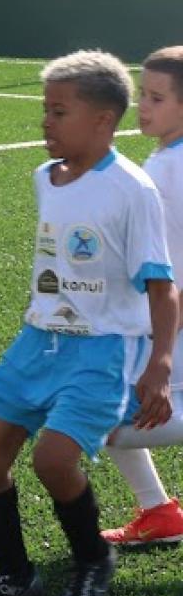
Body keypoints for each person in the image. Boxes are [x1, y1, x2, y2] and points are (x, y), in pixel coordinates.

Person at [0, 50, 177, 596]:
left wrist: (158, 363)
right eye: (44, 110)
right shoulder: (45, 178)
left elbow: (161, 284)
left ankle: (93, 563)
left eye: (58, 112)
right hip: (38, 342)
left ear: (102, 120)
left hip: (102, 350)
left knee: (54, 460)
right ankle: (15, 577)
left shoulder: (133, 188)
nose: (45, 122)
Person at [101, 46, 183, 544]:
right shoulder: (166, 161)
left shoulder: (167, 173)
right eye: (142, 94)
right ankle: (159, 512)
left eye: (156, 97)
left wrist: (161, 336)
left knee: (100, 418)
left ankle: (159, 511)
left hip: (166, 325)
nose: (142, 107)